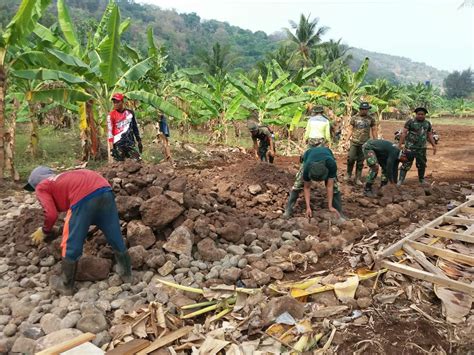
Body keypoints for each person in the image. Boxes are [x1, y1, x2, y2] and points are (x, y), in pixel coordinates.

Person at [25, 166, 132, 295]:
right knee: (114, 232)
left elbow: (51, 214)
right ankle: (126, 274)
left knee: (71, 241)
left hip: (84, 196)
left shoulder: (42, 186)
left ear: (35, 182)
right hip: (104, 189)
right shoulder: (63, 178)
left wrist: (45, 230)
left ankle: (66, 285)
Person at [283, 146, 343, 219]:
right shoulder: (307, 167)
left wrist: (330, 207)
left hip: (327, 155)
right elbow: (307, 187)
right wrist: (308, 207)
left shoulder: (331, 164)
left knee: (335, 187)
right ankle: (288, 210)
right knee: (297, 185)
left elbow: (330, 186)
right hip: (309, 155)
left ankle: (339, 212)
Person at [398, 107, 437, 185]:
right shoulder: (410, 122)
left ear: (425, 115)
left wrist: (434, 145)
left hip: (421, 148)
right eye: (418, 114)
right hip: (410, 148)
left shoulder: (427, 123)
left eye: (422, 114)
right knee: (406, 163)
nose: (420, 116)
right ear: (416, 114)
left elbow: (429, 135)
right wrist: (400, 144)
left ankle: (421, 179)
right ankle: (400, 180)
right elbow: (404, 133)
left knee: (421, 164)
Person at [345, 102, 377, 185]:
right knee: (351, 158)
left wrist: (375, 141)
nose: (365, 111)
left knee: (360, 161)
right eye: (363, 109)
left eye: (366, 109)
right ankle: (348, 174)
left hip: (365, 143)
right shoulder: (354, 118)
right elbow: (350, 129)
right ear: (360, 109)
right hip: (354, 141)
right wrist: (346, 141)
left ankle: (357, 178)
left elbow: (374, 129)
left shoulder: (371, 119)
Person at [107, 93, 142, 162]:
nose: (115, 104)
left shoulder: (130, 113)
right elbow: (110, 132)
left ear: (122, 102)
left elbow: (135, 127)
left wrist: (139, 141)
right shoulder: (111, 115)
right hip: (118, 144)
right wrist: (111, 149)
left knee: (138, 162)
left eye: (117, 102)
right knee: (120, 165)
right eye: (114, 102)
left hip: (130, 143)